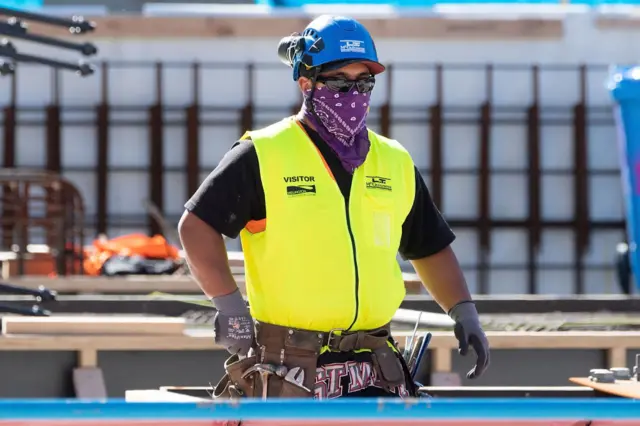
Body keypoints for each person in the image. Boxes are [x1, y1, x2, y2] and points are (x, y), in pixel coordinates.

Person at [178, 14, 490, 400]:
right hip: (291, 365)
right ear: (306, 83)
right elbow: (196, 225)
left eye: (364, 82)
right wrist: (230, 307)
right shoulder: (264, 153)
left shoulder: (393, 161)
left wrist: (463, 311)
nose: (354, 93)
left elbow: (429, 246)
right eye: (340, 82)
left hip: (375, 366)